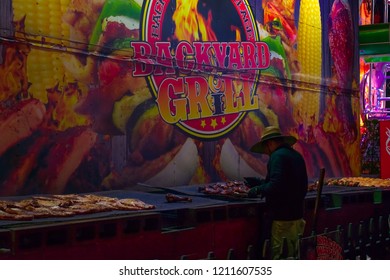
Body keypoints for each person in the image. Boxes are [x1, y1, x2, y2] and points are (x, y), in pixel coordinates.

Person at [246, 125, 308, 259]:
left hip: (282, 219)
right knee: (293, 256)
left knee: (280, 256)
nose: (267, 153)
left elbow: (276, 185)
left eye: (266, 149)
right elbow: (288, 183)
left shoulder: (277, 156)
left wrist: (257, 190)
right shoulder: (296, 155)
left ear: (270, 144)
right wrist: (261, 182)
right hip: (297, 217)